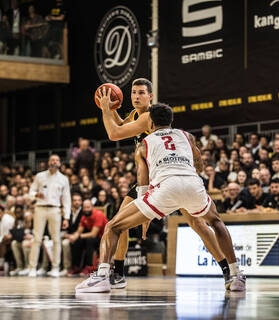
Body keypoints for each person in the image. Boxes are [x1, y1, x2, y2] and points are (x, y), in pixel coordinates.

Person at [76, 103, 245, 293]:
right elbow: (198, 162)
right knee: (215, 222)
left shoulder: (143, 145)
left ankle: (102, 276)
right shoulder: (187, 136)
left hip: (165, 188)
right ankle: (235, 274)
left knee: (113, 226)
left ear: (150, 121)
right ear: (171, 120)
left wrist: (145, 215)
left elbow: (143, 181)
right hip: (192, 183)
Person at [28, 154, 71, 277]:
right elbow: (31, 192)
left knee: (56, 239)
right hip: (40, 208)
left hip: (55, 209)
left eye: (57, 160)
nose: (55, 162)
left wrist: (66, 217)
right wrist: (36, 195)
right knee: (37, 238)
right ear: (48, 162)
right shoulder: (40, 176)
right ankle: (32, 268)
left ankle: (55, 268)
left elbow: (67, 199)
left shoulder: (64, 179)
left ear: (60, 163)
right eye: (52, 160)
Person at [68, 199, 107, 276]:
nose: (86, 209)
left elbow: (93, 234)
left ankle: (89, 267)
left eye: (88, 207)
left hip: (104, 238)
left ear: (92, 207)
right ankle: (77, 267)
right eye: (84, 207)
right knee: (76, 241)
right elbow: (79, 231)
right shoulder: (84, 216)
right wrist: (73, 237)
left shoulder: (98, 214)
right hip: (94, 238)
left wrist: (78, 236)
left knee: (89, 240)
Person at [60, 193, 84, 276]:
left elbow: (84, 228)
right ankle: (52, 267)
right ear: (72, 202)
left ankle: (67, 268)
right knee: (53, 242)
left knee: (65, 243)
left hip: (80, 236)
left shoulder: (84, 212)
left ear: (81, 202)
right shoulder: (68, 213)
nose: (77, 202)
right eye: (75, 200)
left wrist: (72, 236)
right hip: (68, 235)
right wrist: (66, 235)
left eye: (79, 200)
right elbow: (63, 228)